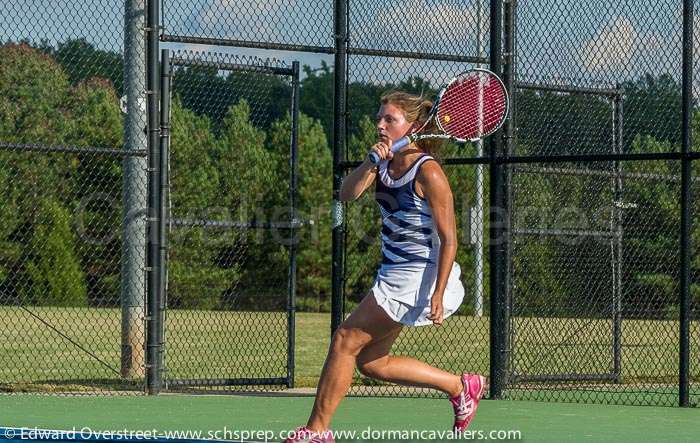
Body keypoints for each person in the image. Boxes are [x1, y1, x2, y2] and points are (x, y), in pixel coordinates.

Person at [284, 91, 486, 443]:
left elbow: (449, 240)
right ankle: (460, 386)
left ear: (413, 126)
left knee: (345, 339)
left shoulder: (430, 172)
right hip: (394, 273)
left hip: (418, 277)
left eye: (389, 119)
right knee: (372, 362)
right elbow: (347, 195)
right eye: (380, 117)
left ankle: (316, 432)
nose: (380, 124)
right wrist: (369, 164)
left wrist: (438, 293)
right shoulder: (383, 163)